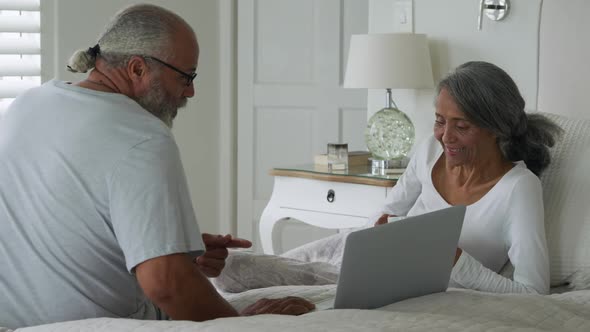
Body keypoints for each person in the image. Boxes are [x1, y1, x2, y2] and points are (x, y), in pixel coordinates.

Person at [0, 4, 313, 329]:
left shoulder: (28, 103)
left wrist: (167, 243)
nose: (190, 91)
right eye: (185, 76)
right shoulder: (142, 137)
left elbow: (48, 222)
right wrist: (239, 323)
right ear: (137, 69)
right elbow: (166, 283)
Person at [215, 61, 562, 296]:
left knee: (237, 271)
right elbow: (388, 210)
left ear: (495, 129)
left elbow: (533, 292)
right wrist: (380, 228)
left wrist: (455, 260)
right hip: (367, 252)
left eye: (462, 126)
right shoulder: (429, 150)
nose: (445, 136)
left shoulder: (519, 189)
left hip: (412, 285)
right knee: (245, 269)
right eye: (440, 120)